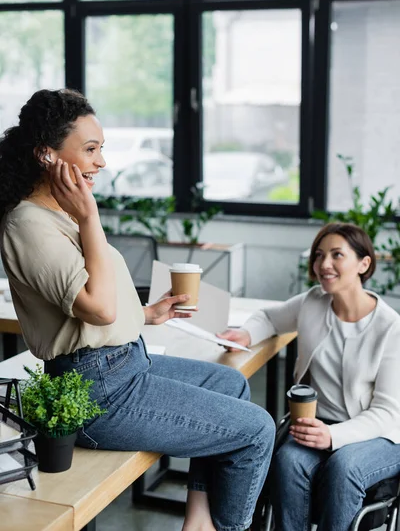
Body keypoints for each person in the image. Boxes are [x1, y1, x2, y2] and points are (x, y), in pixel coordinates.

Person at [0, 88, 275, 531]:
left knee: (231, 384)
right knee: (257, 430)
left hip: (125, 365)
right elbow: (99, 310)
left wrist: (145, 314)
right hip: (96, 391)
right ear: (46, 155)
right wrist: (90, 218)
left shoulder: (63, 212)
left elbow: (97, 302)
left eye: (101, 149)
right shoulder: (28, 224)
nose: (101, 162)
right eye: (90, 150)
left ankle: (199, 522)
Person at [219, 222, 400, 531]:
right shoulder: (313, 303)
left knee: (344, 467)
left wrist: (334, 437)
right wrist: (247, 333)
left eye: (336, 255)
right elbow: (268, 317)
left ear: (364, 263)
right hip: (316, 423)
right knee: (288, 462)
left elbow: (388, 414)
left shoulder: (391, 329)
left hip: (379, 435)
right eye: (319, 255)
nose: (323, 264)